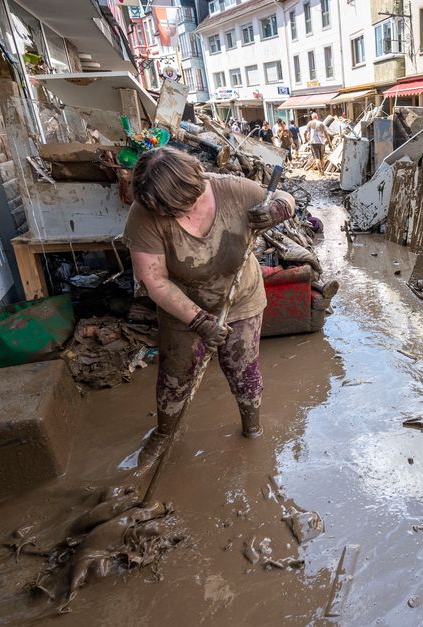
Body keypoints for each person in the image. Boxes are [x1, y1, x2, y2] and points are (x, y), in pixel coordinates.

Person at [124, 147, 296, 469]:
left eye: (172, 207)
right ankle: (164, 433)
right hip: (182, 305)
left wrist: (277, 211)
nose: (165, 215)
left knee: (243, 370)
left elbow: (287, 198)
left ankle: (252, 427)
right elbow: (155, 281)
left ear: (194, 186)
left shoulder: (231, 189)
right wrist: (199, 320)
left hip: (240, 300)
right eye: (159, 210)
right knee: (176, 377)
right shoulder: (144, 214)